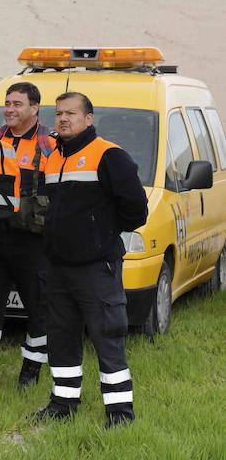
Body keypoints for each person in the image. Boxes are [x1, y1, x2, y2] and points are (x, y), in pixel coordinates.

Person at [33, 92, 147, 428]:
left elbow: (136, 210)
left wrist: (100, 235)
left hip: (97, 267)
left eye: (71, 113)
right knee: (61, 337)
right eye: (58, 114)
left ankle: (120, 415)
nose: (63, 119)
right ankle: (63, 405)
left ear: (89, 118)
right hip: (58, 269)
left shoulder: (109, 155)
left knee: (107, 336)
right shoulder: (54, 156)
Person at [0, 82, 55, 388]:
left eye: (17, 104)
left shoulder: (50, 143)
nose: (9, 109)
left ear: (34, 108)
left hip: (34, 242)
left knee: (39, 310)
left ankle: (30, 374)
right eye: (7, 103)